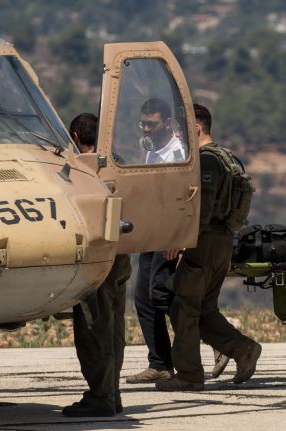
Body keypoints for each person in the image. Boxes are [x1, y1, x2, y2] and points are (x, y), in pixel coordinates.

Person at [155, 104, 261, 392]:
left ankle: (189, 374)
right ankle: (243, 350)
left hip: (204, 243)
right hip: (221, 243)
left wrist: (180, 241)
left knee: (183, 308)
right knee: (204, 310)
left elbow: (201, 208)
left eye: (181, 129)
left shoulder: (207, 161)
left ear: (197, 128)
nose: (178, 135)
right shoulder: (227, 158)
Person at [65, 112, 133, 417]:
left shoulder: (81, 169)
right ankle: (112, 392)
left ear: (76, 138)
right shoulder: (118, 163)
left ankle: (102, 395)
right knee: (114, 325)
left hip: (96, 260)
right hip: (121, 256)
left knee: (94, 329)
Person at [127, 97, 185, 384]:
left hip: (168, 236)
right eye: (144, 124)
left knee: (164, 296)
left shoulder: (177, 154)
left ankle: (211, 343)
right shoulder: (152, 152)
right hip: (152, 233)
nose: (147, 129)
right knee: (144, 298)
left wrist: (176, 237)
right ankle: (160, 362)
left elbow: (181, 199)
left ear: (167, 123)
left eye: (152, 124)